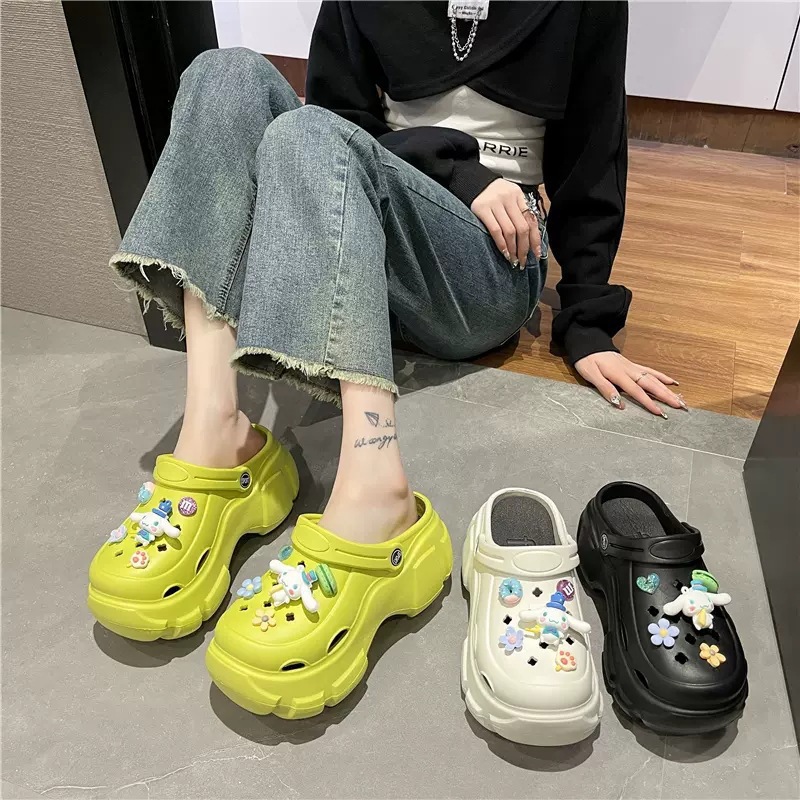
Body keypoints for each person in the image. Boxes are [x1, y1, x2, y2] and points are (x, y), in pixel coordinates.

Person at [89, 2, 682, 686]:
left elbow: (593, 153)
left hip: (487, 259)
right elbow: (342, 118)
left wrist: (588, 323)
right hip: (365, 217)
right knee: (224, 77)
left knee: (310, 133)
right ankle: (215, 428)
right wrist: (457, 170)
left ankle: (378, 490)